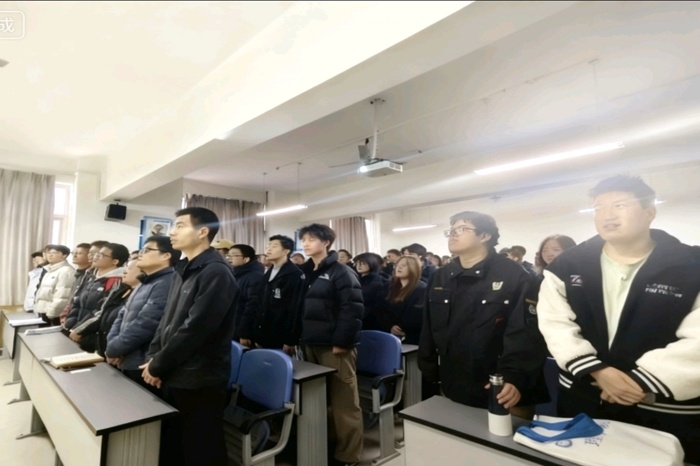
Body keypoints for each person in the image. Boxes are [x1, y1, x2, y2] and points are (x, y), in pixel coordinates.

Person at [537, 175, 700, 463]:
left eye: (620, 205)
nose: (607, 215)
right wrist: (597, 371)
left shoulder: (690, 264)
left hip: (662, 408)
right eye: (599, 208)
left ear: (649, 212)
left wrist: (638, 381)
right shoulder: (568, 264)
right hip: (583, 398)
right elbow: (555, 323)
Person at [418, 211, 548, 417]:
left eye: (462, 229)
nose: (453, 234)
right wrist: (429, 368)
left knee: (505, 436)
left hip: (503, 383)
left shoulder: (514, 275)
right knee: (457, 432)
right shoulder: (442, 276)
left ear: (485, 236)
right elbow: (429, 326)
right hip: (455, 378)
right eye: (451, 230)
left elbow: (526, 333)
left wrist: (514, 376)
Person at [141, 207, 238, 466]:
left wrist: (159, 364)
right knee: (175, 441)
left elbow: (197, 329)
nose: (172, 232)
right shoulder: (183, 269)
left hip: (199, 375)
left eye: (180, 226)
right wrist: (154, 358)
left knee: (201, 446)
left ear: (203, 232)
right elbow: (167, 320)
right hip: (175, 369)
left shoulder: (216, 271)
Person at [298, 224, 363, 466]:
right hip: (310, 342)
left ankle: (349, 455)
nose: (305, 244)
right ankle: (326, 446)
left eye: (311, 239)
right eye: (304, 239)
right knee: (318, 401)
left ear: (326, 242)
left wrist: (342, 342)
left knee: (344, 402)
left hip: (333, 347)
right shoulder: (306, 272)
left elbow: (352, 309)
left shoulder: (341, 271)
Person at [105, 236, 179, 393]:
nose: (140, 254)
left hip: (142, 363)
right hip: (126, 356)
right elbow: (121, 316)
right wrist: (113, 347)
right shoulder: (144, 282)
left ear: (166, 255)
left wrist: (115, 349)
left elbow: (146, 324)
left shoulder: (166, 283)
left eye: (147, 250)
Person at [69, 258, 140, 355]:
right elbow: (101, 312)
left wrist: (116, 350)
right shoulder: (121, 290)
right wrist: (77, 328)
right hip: (103, 342)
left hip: (121, 349)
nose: (125, 271)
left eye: (130, 268)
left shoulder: (118, 283)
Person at [248, 234, 303, 353]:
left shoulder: (294, 275)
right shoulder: (267, 273)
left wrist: (290, 339)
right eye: (268, 246)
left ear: (286, 251)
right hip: (262, 332)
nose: (268, 249)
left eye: (274, 246)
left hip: (280, 335)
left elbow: (294, 309)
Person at [64, 243, 129, 330]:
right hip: (76, 327)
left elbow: (102, 311)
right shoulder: (91, 277)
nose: (95, 257)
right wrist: (70, 322)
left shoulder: (117, 281)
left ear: (115, 261)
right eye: (96, 254)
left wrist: (80, 330)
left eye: (101, 255)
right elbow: (77, 302)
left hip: (92, 330)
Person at [378, 256, 426, 345]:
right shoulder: (390, 287)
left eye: (404, 265)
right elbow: (382, 309)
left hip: (412, 337)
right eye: (398, 265)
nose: (399, 267)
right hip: (390, 334)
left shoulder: (422, 289)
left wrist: (402, 328)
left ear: (413, 268)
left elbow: (418, 315)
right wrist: (390, 326)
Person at [59, 240, 107, 325]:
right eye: (90, 253)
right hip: (74, 318)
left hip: (87, 323)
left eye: (79, 253)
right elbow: (75, 297)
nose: (91, 256)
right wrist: (66, 314)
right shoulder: (88, 274)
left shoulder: (107, 278)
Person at [226, 244, 265, 345]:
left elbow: (252, 307)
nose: (229, 258)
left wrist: (244, 333)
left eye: (234, 255)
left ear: (246, 259)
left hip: (242, 331)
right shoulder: (234, 274)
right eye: (228, 255)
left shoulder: (255, 277)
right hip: (232, 327)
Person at [34, 245, 75, 325]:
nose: (50, 255)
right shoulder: (49, 270)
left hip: (54, 314)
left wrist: (52, 312)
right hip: (44, 310)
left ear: (64, 255)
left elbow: (63, 295)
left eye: (54, 253)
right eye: (49, 253)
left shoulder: (66, 271)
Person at [353, 252, 389, 332]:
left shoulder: (377, 282)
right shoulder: (359, 279)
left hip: (370, 322)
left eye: (363, 263)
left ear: (372, 263)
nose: (359, 266)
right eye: (357, 263)